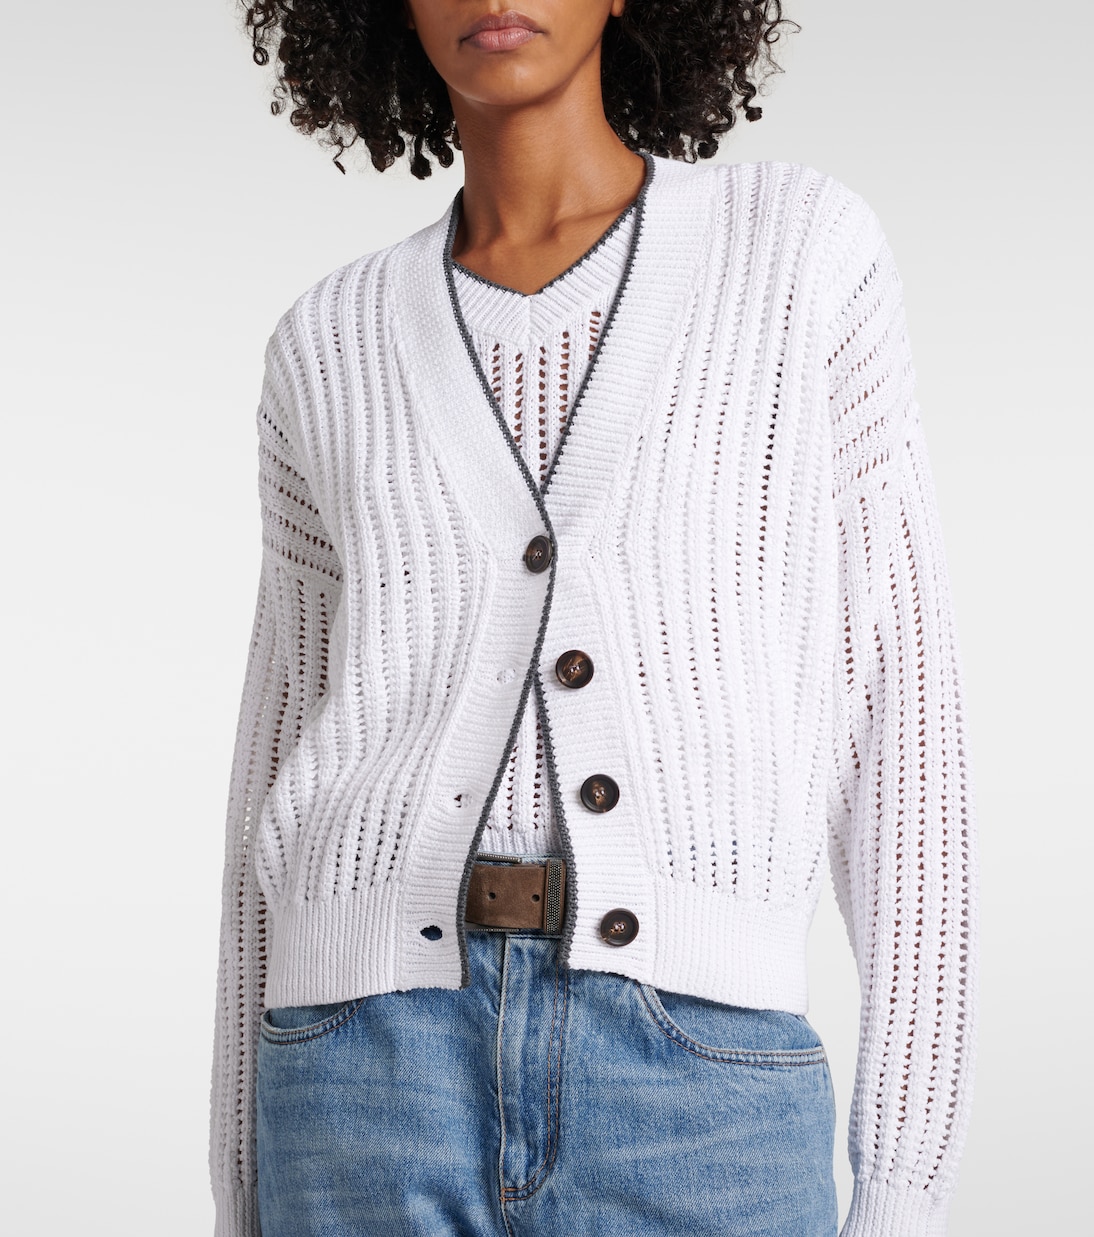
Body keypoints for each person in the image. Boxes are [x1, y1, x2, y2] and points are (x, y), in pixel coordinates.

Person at [209, 2, 979, 1234]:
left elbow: (899, 714)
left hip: (697, 1081)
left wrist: (905, 1179)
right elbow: (277, 748)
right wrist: (240, 1185)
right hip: (359, 1075)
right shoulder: (326, 343)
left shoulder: (796, 254)